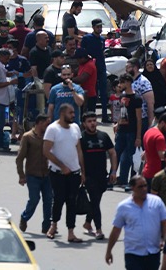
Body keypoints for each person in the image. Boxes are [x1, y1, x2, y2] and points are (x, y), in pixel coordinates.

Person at [105, 175, 166, 269]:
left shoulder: (156, 202)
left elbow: (165, 222)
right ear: (132, 188)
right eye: (140, 187)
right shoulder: (124, 207)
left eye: (145, 185)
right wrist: (109, 251)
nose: (144, 189)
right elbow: (116, 229)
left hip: (153, 252)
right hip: (133, 253)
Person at [43, 103, 85, 243]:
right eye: (71, 113)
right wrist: (62, 166)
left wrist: (82, 171)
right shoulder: (52, 129)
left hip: (74, 172)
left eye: (74, 113)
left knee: (72, 201)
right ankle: (53, 225)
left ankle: (71, 232)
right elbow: (46, 151)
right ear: (62, 114)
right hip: (57, 173)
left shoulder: (75, 128)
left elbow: (79, 150)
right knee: (59, 199)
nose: (73, 115)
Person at [81, 111, 116, 240]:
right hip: (88, 176)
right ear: (84, 124)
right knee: (95, 202)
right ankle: (99, 229)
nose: (92, 123)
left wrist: (113, 171)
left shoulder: (104, 136)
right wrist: (82, 173)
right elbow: (77, 157)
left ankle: (87, 222)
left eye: (94, 121)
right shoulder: (81, 138)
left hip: (102, 175)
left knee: (96, 200)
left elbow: (112, 153)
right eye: (89, 121)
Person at [17, 112, 53, 232]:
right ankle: (24, 217)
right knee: (34, 199)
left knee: (48, 200)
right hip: (32, 174)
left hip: (47, 174)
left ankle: (46, 226)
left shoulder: (48, 136)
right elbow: (20, 158)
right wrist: (21, 175)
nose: (48, 126)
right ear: (40, 123)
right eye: (47, 124)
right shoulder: (28, 137)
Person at [114, 73, 144, 187]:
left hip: (131, 131)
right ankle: (116, 178)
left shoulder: (136, 99)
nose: (120, 85)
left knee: (130, 156)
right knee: (116, 154)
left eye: (122, 82)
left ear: (128, 83)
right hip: (121, 130)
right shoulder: (122, 96)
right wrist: (117, 124)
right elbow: (120, 112)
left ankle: (131, 180)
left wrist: (138, 136)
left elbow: (138, 118)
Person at [143, 112, 166, 179]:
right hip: (156, 174)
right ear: (162, 123)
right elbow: (162, 155)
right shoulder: (159, 137)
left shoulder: (148, 132)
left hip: (147, 171)